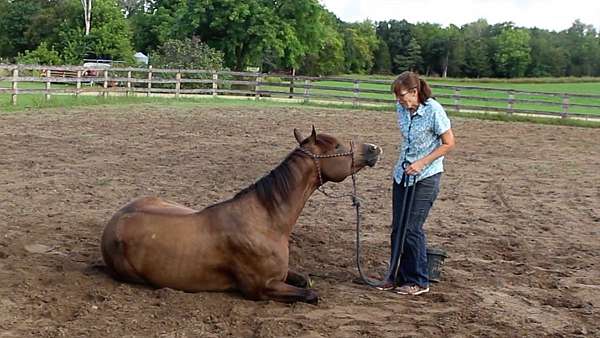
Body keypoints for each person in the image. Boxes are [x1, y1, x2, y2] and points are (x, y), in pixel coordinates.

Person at [378, 71, 455, 295]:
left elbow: (449, 143)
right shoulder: (401, 109)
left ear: (414, 92)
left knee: (412, 228)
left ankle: (419, 280)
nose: (398, 100)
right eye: (396, 96)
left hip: (426, 175)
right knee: (398, 228)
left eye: (402, 95)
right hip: (402, 174)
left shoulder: (434, 110)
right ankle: (394, 276)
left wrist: (422, 162)